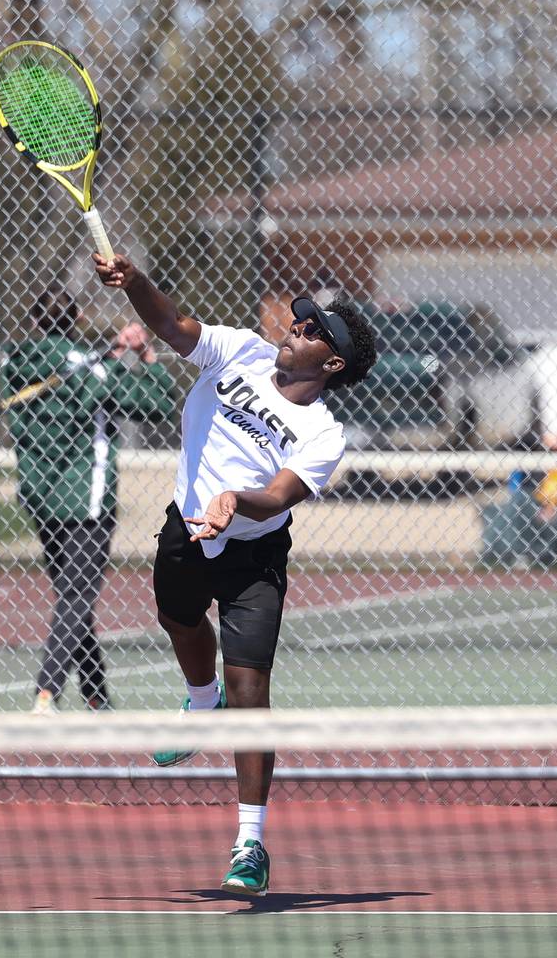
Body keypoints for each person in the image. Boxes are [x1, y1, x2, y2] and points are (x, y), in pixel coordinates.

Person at [95, 252, 379, 897]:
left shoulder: (322, 433)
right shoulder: (241, 353)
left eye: (312, 333)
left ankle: (250, 842)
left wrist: (236, 503)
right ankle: (201, 702)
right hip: (185, 531)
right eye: (300, 322)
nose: (295, 329)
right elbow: (171, 326)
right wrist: (135, 281)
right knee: (177, 619)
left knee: (253, 694)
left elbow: (278, 495)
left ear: (331, 364)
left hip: (254, 559)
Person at [2, 287, 176, 715]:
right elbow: (160, 403)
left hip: (40, 496)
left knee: (70, 596)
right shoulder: (92, 372)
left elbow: (74, 386)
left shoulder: (15, 363)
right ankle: (46, 692)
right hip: (86, 500)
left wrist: (111, 355)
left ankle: (96, 695)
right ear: (77, 319)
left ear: (34, 321)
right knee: (77, 597)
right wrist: (146, 355)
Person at [481, 430, 557, 566]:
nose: (556, 455)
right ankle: (505, 554)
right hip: (534, 509)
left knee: (553, 518)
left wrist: (555, 507)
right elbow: (522, 491)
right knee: (501, 509)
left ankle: (535, 556)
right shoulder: (539, 466)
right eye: (552, 450)